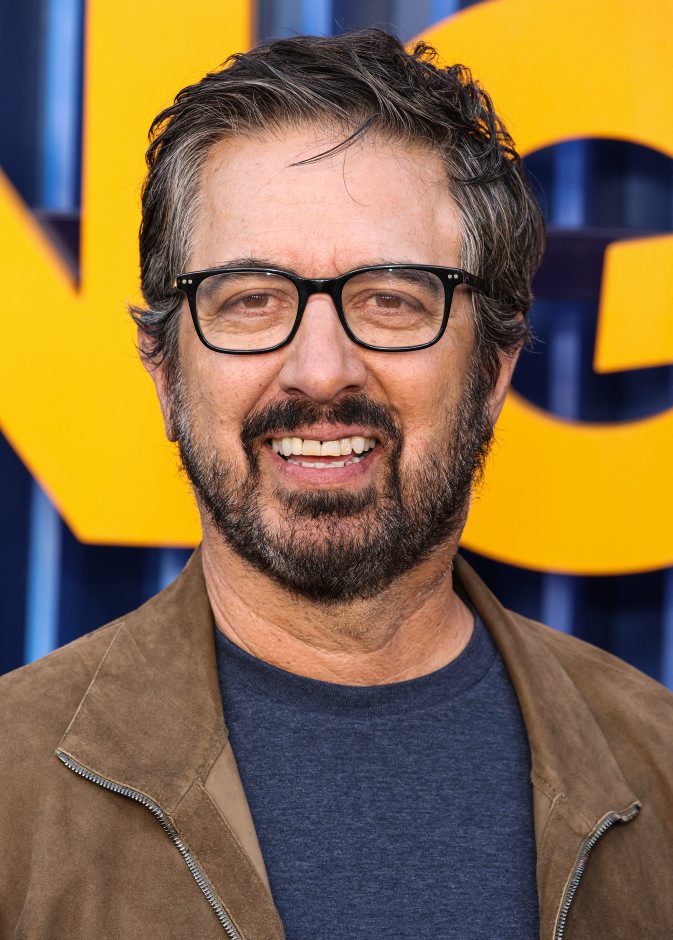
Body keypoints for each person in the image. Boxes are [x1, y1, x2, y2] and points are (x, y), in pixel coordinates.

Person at [1, 28, 672, 940]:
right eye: (249, 299)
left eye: (391, 298)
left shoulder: (657, 768)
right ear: (165, 372)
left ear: (493, 371)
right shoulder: (11, 786)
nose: (320, 370)